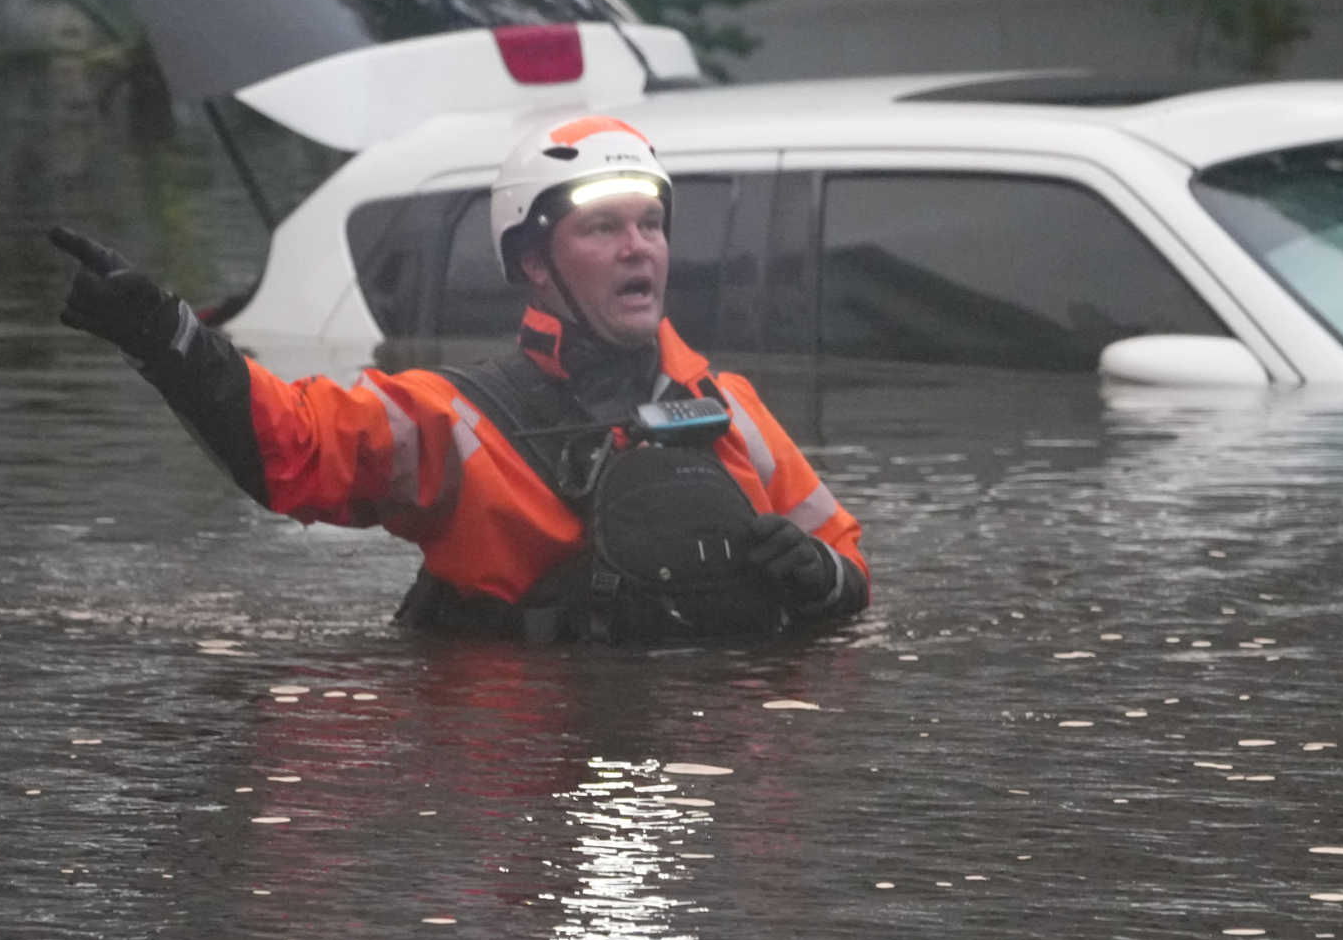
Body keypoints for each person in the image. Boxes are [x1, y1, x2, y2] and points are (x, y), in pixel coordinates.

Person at [48, 113, 868, 642]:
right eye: (603, 228)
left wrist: (824, 578)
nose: (638, 247)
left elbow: (848, 564)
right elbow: (286, 444)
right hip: (515, 792)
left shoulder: (730, 411)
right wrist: (168, 335)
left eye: (651, 224)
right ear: (533, 263)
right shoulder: (450, 421)